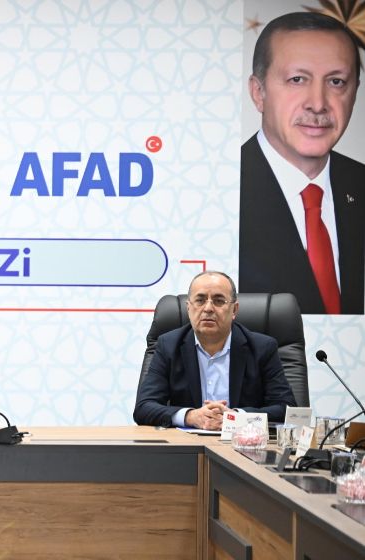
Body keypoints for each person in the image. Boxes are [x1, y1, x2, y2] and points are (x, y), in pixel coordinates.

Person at [240, 11, 364, 314]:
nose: (318, 104)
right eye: (297, 80)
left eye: (336, 81)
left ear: (355, 93)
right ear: (258, 93)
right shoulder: (221, 188)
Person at [134, 271, 296, 429]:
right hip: (187, 443)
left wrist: (236, 417)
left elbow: (286, 409)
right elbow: (144, 407)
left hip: (241, 441)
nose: (208, 308)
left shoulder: (262, 348)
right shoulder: (168, 345)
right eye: (200, 300)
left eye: (219, 301)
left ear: (234, 310)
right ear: (188, 308)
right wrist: (191, 416)